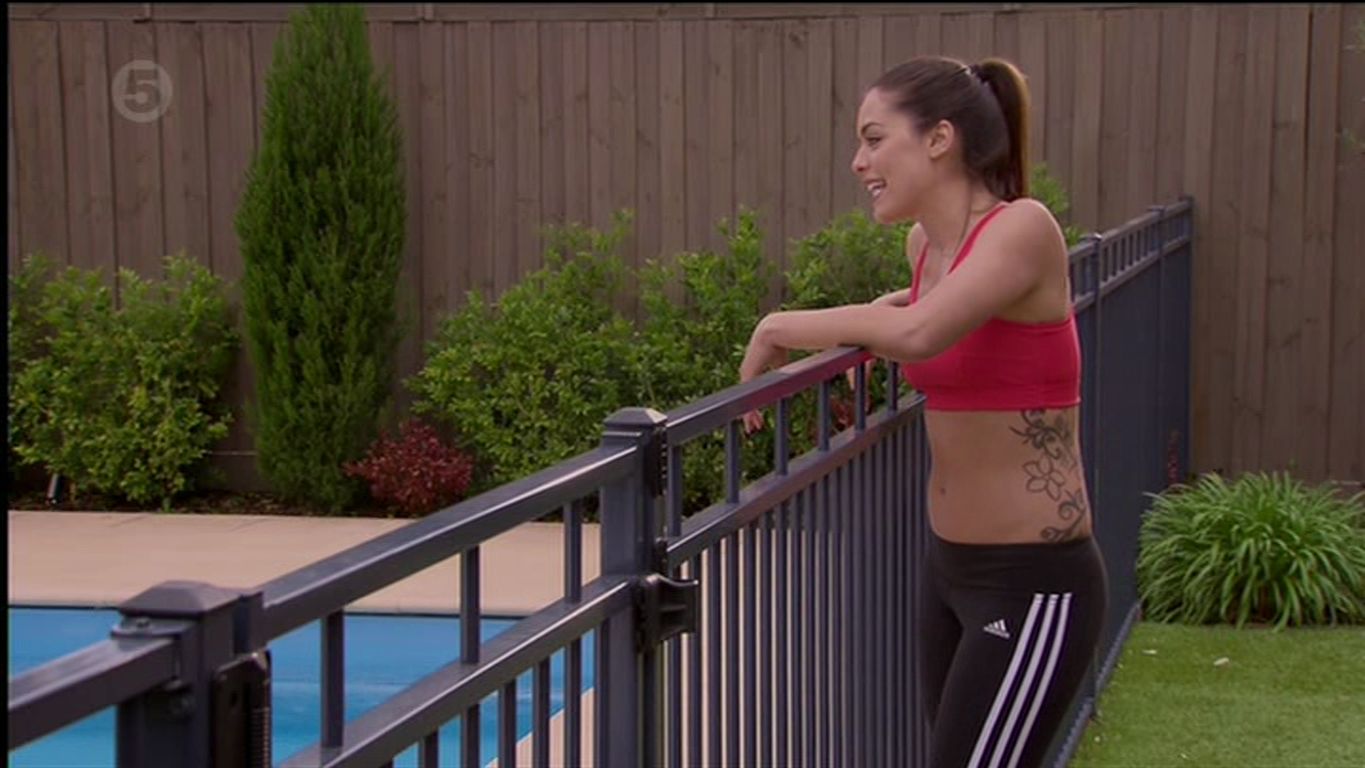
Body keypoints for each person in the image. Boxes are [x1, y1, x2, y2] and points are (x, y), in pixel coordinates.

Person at [738, 56, 1108, 768]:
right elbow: (923, 313)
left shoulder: (1022, 228)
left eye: (875, 140)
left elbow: (919, 333)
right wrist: (878, 316)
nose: (859, 162)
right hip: (948, 570)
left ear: (939, 138)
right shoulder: (927, 249)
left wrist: (779, 325)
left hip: (1032, 580)